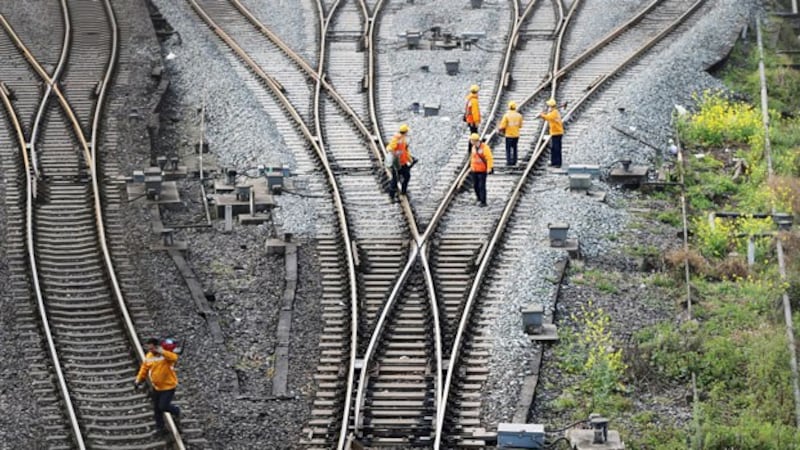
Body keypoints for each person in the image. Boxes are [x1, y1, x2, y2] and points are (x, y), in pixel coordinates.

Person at [135, 338, 181, 434]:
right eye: (149, 348)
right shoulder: (149, 356)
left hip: (168, 387)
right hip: (157, 387)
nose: (150, 350)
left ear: (157, 347)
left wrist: (162, 351)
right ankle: (160, 428)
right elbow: (144, 368)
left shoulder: (165, 355)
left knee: (163, 406)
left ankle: (176, 411)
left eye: (152, 348)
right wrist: (138, 379)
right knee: (157, 409)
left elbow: (174, 358)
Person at [386, 124, 413, 200]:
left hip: (403, 162)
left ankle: (403, 191)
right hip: (397, 163)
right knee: (395, 179)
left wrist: (410, 159)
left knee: (406, 177)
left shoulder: (402, 138)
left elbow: (405, 151)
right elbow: (390, 148)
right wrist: (395, 154)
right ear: (405, 132)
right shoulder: (397, 138)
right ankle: (391, 195)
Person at [469, 133, 493, 207]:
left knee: (481, 186)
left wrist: (489, 168)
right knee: (475, 185)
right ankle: (479, 198)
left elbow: (489, 158)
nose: (470, 142)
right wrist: (471, 167)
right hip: (474, 170)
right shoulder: (473, 147)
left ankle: (483, 201)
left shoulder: (485, 148)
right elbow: (472, 158)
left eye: (471, 140)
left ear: (475, 141)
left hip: (482, 170)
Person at [538, 98, 564, 167]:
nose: (548, 107)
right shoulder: (554, 112)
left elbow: (548, 118)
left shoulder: (554, 113)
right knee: (553, 148)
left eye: (549, 106)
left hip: (557, 133)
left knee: (556, 148)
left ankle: (558, 163)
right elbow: (549, 116)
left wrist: (541, 115)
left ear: (551, 106)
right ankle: (553, 162)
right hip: (555, 133)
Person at [498, 101, 523, 166]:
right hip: (516, 135)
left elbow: (502, 126)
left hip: (508, 135)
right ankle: (515, 161)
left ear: (509, 107)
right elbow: (520, 126)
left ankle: (509, 161)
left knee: (508, 149)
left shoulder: (506, 116)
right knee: (515, 148)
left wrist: (499, 128)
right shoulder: (519, 116)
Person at [463, 85, 481, 155]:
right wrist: (476, 121)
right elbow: (475, 112)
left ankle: (471, 149)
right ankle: (471, 150)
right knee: (474, 135)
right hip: (473, 121)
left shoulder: (469, 98)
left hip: (469, 120)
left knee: (472, 134)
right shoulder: (474, 101)